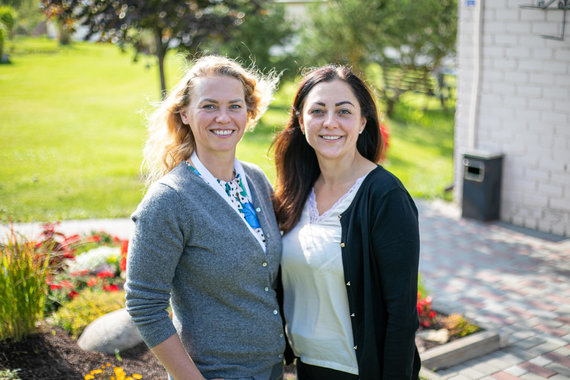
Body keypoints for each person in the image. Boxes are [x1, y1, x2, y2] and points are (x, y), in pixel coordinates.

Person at [125, 55, 285, 380]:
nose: (223, 117)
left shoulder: (255, 180)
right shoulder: (170, 199)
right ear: (185, 113)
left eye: (235, 106)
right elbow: (144, 304)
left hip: (270, 370)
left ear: (249, 112)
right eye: (209, 106)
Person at [272, 65, 421, 380]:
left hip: (360, 372)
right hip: (307, 367)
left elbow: (401, 316)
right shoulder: (295, 189)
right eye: (317, 111)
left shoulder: (385, 196)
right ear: (300, 120)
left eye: (343, 111)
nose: (330, 123)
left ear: (363, 121)